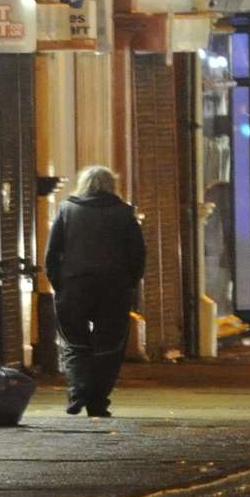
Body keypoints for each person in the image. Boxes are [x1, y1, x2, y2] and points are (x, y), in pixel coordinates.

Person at [43, 166, 146, 418]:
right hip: (114, 287)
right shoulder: (125, 213)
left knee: (74, 341)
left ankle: (78, 392)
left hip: (74, 285)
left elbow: (52, 253)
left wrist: (59, 282)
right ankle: (97, 401)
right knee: (109, 345)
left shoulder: (67, 209)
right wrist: (130, 282)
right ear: (112, 185)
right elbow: (138, 254)